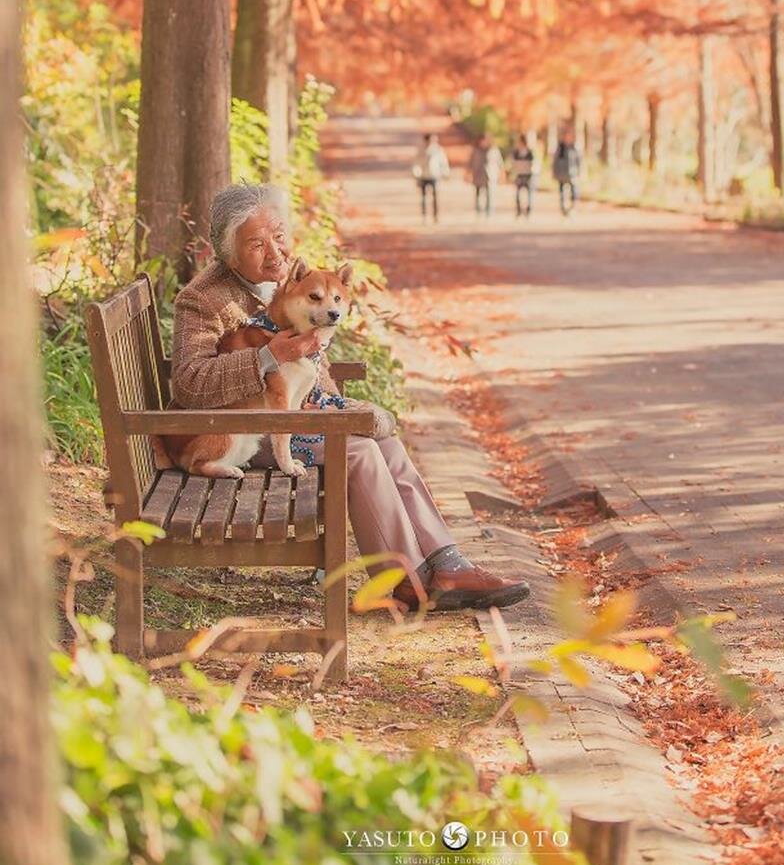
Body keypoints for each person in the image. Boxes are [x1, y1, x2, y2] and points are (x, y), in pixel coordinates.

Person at [171, 183, 529, 612]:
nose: (275, 252)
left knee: (388, 446)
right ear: (229, 254)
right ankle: (407, 580)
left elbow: (310, 366)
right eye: (256, 244)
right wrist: (268, 357)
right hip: (245, 432)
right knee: (357, 452)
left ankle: (447, 563)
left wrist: (337, 406)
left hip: (299, 417)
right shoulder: (202, 300)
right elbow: (189, 383)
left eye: (279, 236)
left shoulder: (294, 279)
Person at [412, 132, 450, 223]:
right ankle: (424, 215)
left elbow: (443, 162)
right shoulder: (421, 150)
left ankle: (435, 216)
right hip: (423, 176)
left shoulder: (438, 150)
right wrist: (416, 172)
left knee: (435, 197)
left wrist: (445, 172)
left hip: (434, 175)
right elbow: (416, 163)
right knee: (424, 198)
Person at [468, 134, 504, 216]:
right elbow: (470, 163)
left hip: (489, 175)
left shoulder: (493, 150)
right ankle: (478, 210)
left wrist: (501, 174)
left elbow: (500, 163)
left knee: (489, 193)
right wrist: (468, 173)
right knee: (478, 193)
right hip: (478, 175)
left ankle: (489, 211)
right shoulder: (476, 150)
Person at [553, 135, 582, 216]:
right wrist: (555, 173)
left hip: (573, 174)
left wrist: (579, 173)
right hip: (562, 174)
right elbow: (555, 162)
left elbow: (578, 161)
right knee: (562, 192)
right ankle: (563, 208)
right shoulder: (560, 148)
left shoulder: (574, 148)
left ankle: (573, 207)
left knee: (574, 192)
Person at [510, 133, 537, 218]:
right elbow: (513, 163)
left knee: (529, 194)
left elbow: (533, 162)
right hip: (519, 174)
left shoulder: (529, 151)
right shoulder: (516, 152)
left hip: (528, 174)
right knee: (518, 194)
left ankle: (528, 210)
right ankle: (518, 210)